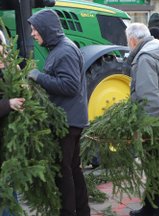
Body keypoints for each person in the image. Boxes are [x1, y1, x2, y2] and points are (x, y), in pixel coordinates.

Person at [27, 9, 90, 216]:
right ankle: (81, 211)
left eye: (35, 30)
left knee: (65, 171)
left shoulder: (64, 51)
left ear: (47, 29)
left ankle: (68, 212)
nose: (32, 34)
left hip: (67, 121)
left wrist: (38, 76)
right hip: (69, 118)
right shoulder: (60, 49)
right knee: (72, 168)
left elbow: (70, 86)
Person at [126, 23, 159, 216]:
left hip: (156, 123)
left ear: (132, 40)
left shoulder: (145, 58)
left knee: (157, 167)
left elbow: (150, 97)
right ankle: (151, 207)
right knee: (156, 166)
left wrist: (147, 128)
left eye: (128, 42)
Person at [0, 39, 25, 216]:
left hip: (7, 143)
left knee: (9, 187)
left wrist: (13, 70)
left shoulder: (5, 68)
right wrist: (8, 104)